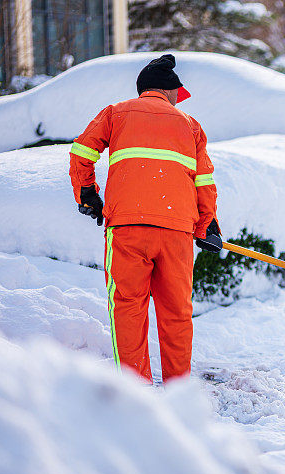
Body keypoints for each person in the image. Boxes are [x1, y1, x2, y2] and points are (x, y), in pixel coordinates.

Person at [69, 54, 221, 383]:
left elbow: (82, 151)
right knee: (176, 313)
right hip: (175, 233)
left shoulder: (116, 113)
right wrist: (205, 225)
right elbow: (204, 181)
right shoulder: (190, 125)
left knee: (127, 308)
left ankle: (134, 394)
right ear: (168, 91)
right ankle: (178, 391)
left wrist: (87, 194)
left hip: (127, 229)